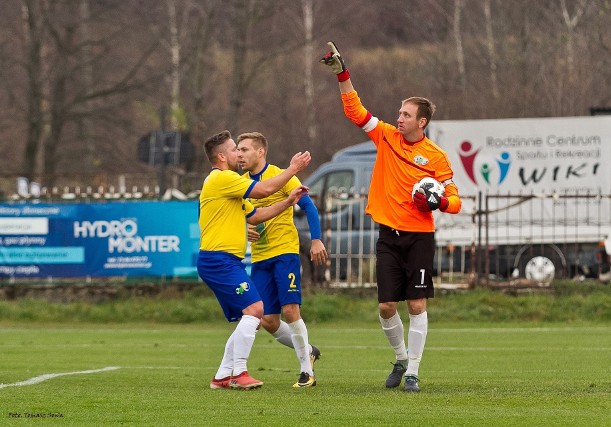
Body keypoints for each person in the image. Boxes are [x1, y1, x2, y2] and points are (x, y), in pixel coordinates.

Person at [320, 42, 462, 392]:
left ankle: (413, 370)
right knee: (385, 306)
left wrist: (437, 202)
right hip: (388, 235)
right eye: (398, 113)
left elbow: (455, 200)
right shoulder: (386, 136)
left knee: (416, 303)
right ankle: (400, 358)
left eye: (405, 115)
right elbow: (356, 111)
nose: (398, 118)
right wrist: (342, 73)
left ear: (422, 121)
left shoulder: (436, 157)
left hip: (420, 237)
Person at [197, 130, 311, 390]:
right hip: (218, 260)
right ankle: (239, 373)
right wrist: (293, 168)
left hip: (226, 261)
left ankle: (223, 376)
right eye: (234, 149)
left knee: (250, 314)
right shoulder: (223, 178)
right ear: (223, 156)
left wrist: (289, 201)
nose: (239, 153)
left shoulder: (230, 184)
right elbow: (264, 189)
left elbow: (257, 216)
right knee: (256, 310)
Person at [236, 132, 328, 388]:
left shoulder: (281, 174)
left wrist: (317, 239)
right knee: (268, 320)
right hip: (260, 257)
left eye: (244, 149)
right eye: (238, 150)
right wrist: (245, 229)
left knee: (290, 311)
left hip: (285, 251)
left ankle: (306, 372)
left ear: (260, 152)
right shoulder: (241, 184)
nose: (239, 155)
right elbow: (239, 216)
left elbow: (307, 205)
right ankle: (308, 350)